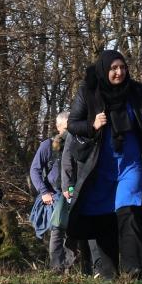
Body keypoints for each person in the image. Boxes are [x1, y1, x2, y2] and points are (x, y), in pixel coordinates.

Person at [64, 50, 142, 280]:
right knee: (104, 214)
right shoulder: (87, 92)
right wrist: (92, 124)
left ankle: (136, 267)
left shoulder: (136, 91)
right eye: (114, 68)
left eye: (122, 68)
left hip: (131, 162)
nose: (119, 72)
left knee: (128, 209)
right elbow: (72, 124)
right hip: (101, 164)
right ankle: (108, 270)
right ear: (104, 70)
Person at [29, 112, 92, 274]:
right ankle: (57, 268)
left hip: (78, 193)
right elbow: (35, 170)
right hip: (55, 195)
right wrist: (44, 192)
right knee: (57, 230)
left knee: (79, 231)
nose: (71, 130)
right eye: (67, 126)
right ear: (58, 127)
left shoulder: (80, 143)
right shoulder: (47, 146)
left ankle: (81, 269)